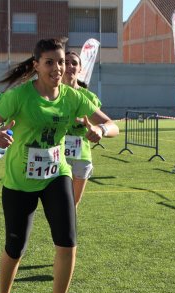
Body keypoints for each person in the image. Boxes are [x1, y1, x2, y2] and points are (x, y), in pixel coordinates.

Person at [0, 37, 119, 293]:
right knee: (16, 249)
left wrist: (100, 130)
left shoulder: (73, 97)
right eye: (50, 62)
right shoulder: (19, 97)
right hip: (19, 181)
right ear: (36, 65)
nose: (57, 67)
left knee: (67, 241)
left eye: (61, 62)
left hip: (56, 175)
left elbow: (112, 125)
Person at [63, 51, 118, 208]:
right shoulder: (51, 95)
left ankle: (68, 232)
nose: (69, 66)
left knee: (73, 203)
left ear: (80, 68)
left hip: (82, 156)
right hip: (57, 155)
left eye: (74, 63)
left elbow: (111, 125)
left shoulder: (89, 98)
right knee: (58, 202)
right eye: (65, 62)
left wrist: (99, 129)